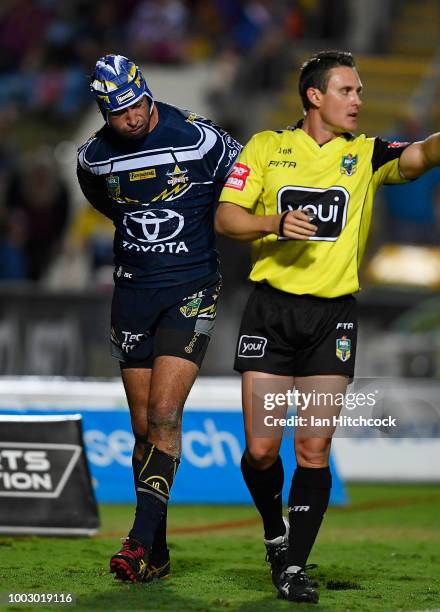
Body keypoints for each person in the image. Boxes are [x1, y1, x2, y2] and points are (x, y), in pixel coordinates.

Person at [215, 49, 440, 604]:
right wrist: (275, 222)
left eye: (359, 92)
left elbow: (417, 159)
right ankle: (273, 530)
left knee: (313, 448)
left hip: (331, 319)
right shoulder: (266, 147)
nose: (358, 101)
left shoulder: (368, 153)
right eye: (347, 91)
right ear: (315, 96)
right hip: (271, 311)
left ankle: (292, 567)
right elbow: (227, 217)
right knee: (262, 451)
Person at [77, 54, 241, 583]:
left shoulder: (200, 139)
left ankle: (137, 540)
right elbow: (103, 199)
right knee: (143, 427)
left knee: (166, 414)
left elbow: (245, 179)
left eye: (136, 104)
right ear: (105, 111)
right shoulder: (93, 157)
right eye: (118, 111)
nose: (131, 117)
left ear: (147, 93)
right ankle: (160, 553)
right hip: (131, 296)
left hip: (191, 289)